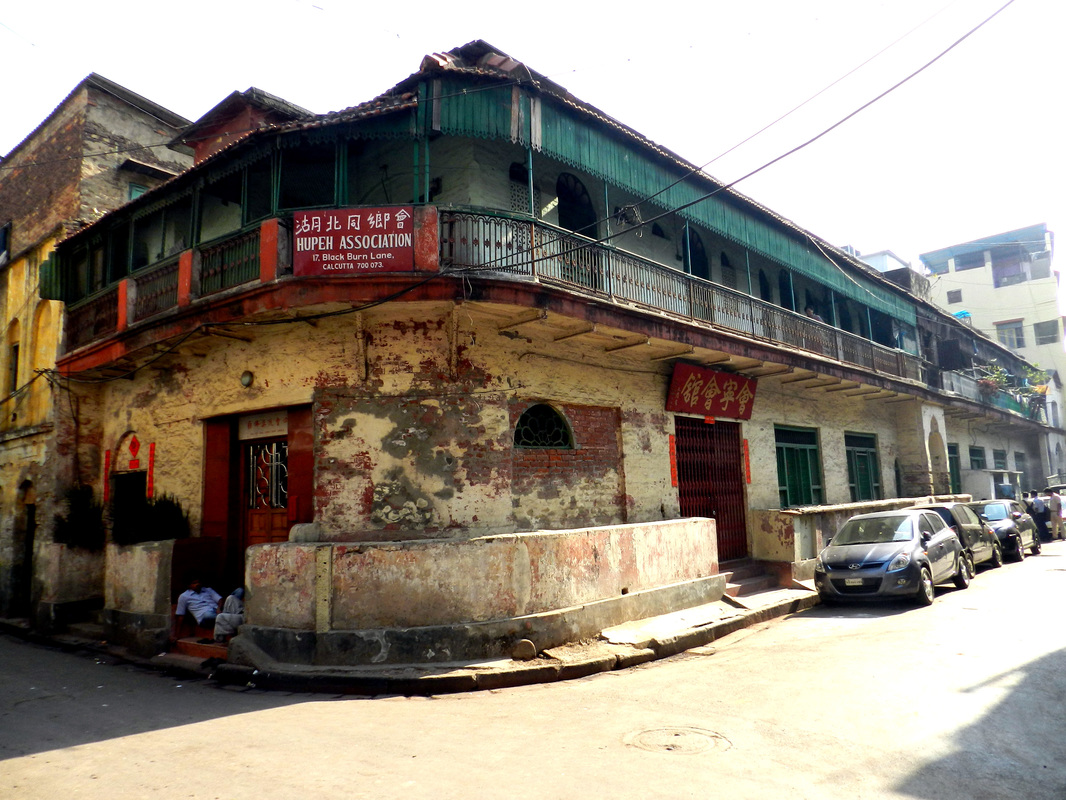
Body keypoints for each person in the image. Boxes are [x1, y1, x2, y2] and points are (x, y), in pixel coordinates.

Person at [173, 575, 223, 642]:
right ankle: (226, 617)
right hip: (204, 618)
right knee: (208, 615)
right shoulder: (184, 597)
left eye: (198, 582)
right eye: (194, 583)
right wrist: (176, 635)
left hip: (217, 612)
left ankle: (224, 616)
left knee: (237, 593)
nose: (197, 584)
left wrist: (218, 608)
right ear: (189, 585)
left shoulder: (208, 590)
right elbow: (180, 615)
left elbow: (220, 600)